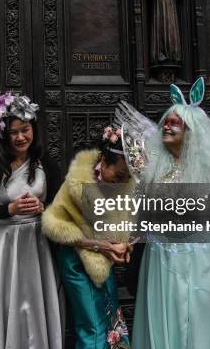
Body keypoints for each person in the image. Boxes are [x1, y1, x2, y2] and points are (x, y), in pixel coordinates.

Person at [115, 78, 210, 349]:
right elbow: (140, 214)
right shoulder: (152, 169)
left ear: (192, 131)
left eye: (174, 122)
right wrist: (127, 240)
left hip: (200, 256)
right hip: (160, 255)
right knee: (165, 315)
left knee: (197, 316)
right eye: (165, 121)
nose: (166, 125)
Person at [0, 92, 64, 349]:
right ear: (4, 134)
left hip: (37, 245)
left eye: (25, 130)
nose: (21, 137)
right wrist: (9, 208)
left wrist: (43, 208)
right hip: (4, 245)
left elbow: (61, 205)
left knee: (33, 304)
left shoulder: (46, 163)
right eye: (14, 132)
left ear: (33, 129)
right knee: (0, 303)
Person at [42, 126, 138, 349]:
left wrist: (124, 248)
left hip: (104, 263)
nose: (123, 182)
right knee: (92, 325)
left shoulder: (124, 187)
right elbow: (52, 225)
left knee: (112, 321)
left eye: (128, 178)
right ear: (103, 161)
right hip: (76, 261)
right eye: (120, 175)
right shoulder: (77, 182)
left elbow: (123, 229)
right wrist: (98, 246)